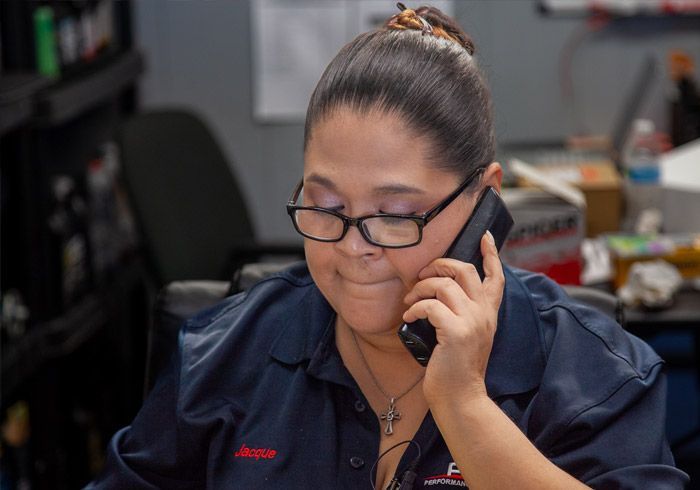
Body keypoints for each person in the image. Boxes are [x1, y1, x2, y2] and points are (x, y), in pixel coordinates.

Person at [88, 4, 688, 489]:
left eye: (396, 215)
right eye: (326, 207)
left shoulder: (596, 376)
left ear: (485, 200)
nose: (354, 247)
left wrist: (465, 408)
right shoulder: (224, 354)